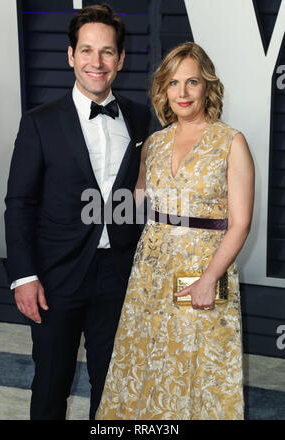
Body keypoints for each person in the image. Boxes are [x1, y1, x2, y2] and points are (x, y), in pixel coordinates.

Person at [4, 4, 151, 420]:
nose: (96, 62)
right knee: (51, 384)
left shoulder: (141, 119)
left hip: (119, 275)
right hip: (55, 275)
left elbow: (146, 197)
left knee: (114, 387)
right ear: (71, 56)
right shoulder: (39, 122)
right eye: (86, 51)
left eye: (107, 52)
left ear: (121, 59)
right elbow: (20, 203)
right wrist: (24, 276)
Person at [96, 41, 254, 420]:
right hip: (149, 274)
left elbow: (241, 222)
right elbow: (133, 202)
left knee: (197, 367)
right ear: (163, 90)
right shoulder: (154, 142)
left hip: (201, 271)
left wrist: (208, 278)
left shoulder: (230, 143)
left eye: (192, 82)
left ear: (208, 87)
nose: (182, 93)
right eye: (173, 83)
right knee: (146, 365)